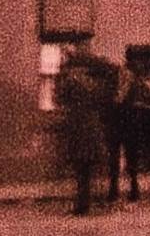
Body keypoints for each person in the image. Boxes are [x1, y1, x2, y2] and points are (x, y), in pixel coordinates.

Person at [56, 52, 113, 216]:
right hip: (93, 129)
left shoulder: (71, 82)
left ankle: (82, 205)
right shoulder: (93, 84)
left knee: (81, 169)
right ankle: (89, 202)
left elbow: (60, 99)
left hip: (78, 129)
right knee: (88, 170)